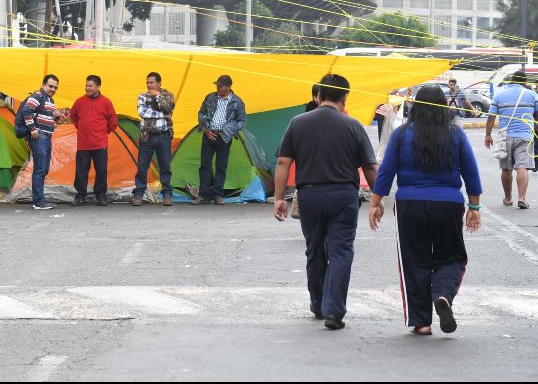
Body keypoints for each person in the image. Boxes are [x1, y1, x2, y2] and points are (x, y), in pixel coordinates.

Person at [369, 85, 482, 336]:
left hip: (410, 205)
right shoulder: (456, 134)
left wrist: (376, 202)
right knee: (452, 257)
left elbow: (386, 171)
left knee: (413, 261)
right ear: (444, 107)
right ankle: (442, 293)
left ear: (415, 106)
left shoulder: (401, 134)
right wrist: (474, 206)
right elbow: (471, 172)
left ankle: (421, 322)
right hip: (449, 203)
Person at [273, 74, 379, 330]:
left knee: (314, 249)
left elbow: (282, 162)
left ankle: (318, 303)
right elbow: (370, 167)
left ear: (318, 96)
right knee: (341, 250)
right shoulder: (353, 126)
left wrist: (278, 198)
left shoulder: (297, 123)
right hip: (344, 196)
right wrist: (377, 198)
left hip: (309, 195)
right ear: (345, 97)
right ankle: (334, 311)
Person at [485, 70, 538, 209]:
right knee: (522, 166)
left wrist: (488, 135)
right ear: (525, 81)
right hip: (525, 136)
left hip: (505, 136)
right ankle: (522, 198)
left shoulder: (499, 94)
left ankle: (508, 198)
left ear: (512, 80)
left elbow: (491, 117)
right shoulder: (532, 95)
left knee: (506, 169)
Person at [192, 75, 247, 205]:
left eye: (220, 86)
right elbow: (201, 113)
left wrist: (231, 129)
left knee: (221, 166)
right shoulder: (210, 97)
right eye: (217, 85)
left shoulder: (237, 102)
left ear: (229, 87)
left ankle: (218, 194)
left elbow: (242, 121)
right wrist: (205, 129)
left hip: (225, 137)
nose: (218, 88)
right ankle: (203, 195)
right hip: (209, 134)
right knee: (205, 165)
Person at [70, 75, 118, 206]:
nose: (87, 88)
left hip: (100, 143)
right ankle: (80, 195)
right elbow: (73, 116)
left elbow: (113, 121)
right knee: (81, 171)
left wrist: (104, 130)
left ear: (98, 87)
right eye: (86, 85)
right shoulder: (79, 101)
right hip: (83, 144)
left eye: (90, 86)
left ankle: (101, 195)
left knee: (101, 170)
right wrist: (81, 128)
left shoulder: (106, 102)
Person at [19, 74, 65, 210]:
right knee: (40, 169)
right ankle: (38, 201)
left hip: (46, 137)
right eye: (50, 86)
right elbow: (26, 111)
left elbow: (47, 118)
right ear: (43, 84)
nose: (53, 89)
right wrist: (32, 129)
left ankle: (40, 199)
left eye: (55, 87)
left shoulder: (50, 100)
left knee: (43, 169)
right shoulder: (37, 96)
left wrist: (56, 118)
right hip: (39, 137)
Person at [132, 72, 175, 207]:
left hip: (164, 135)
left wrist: (158, 96)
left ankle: (167, 194)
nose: (149, 85)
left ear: (159, 83)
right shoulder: (142, 96)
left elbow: (169, 108)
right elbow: (142, 113)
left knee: (165, 166)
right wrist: (163, 115)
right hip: (147, 136)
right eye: (147, 83)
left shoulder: (168, 95)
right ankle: (138, 194)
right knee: (142, 166)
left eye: (151, 82)